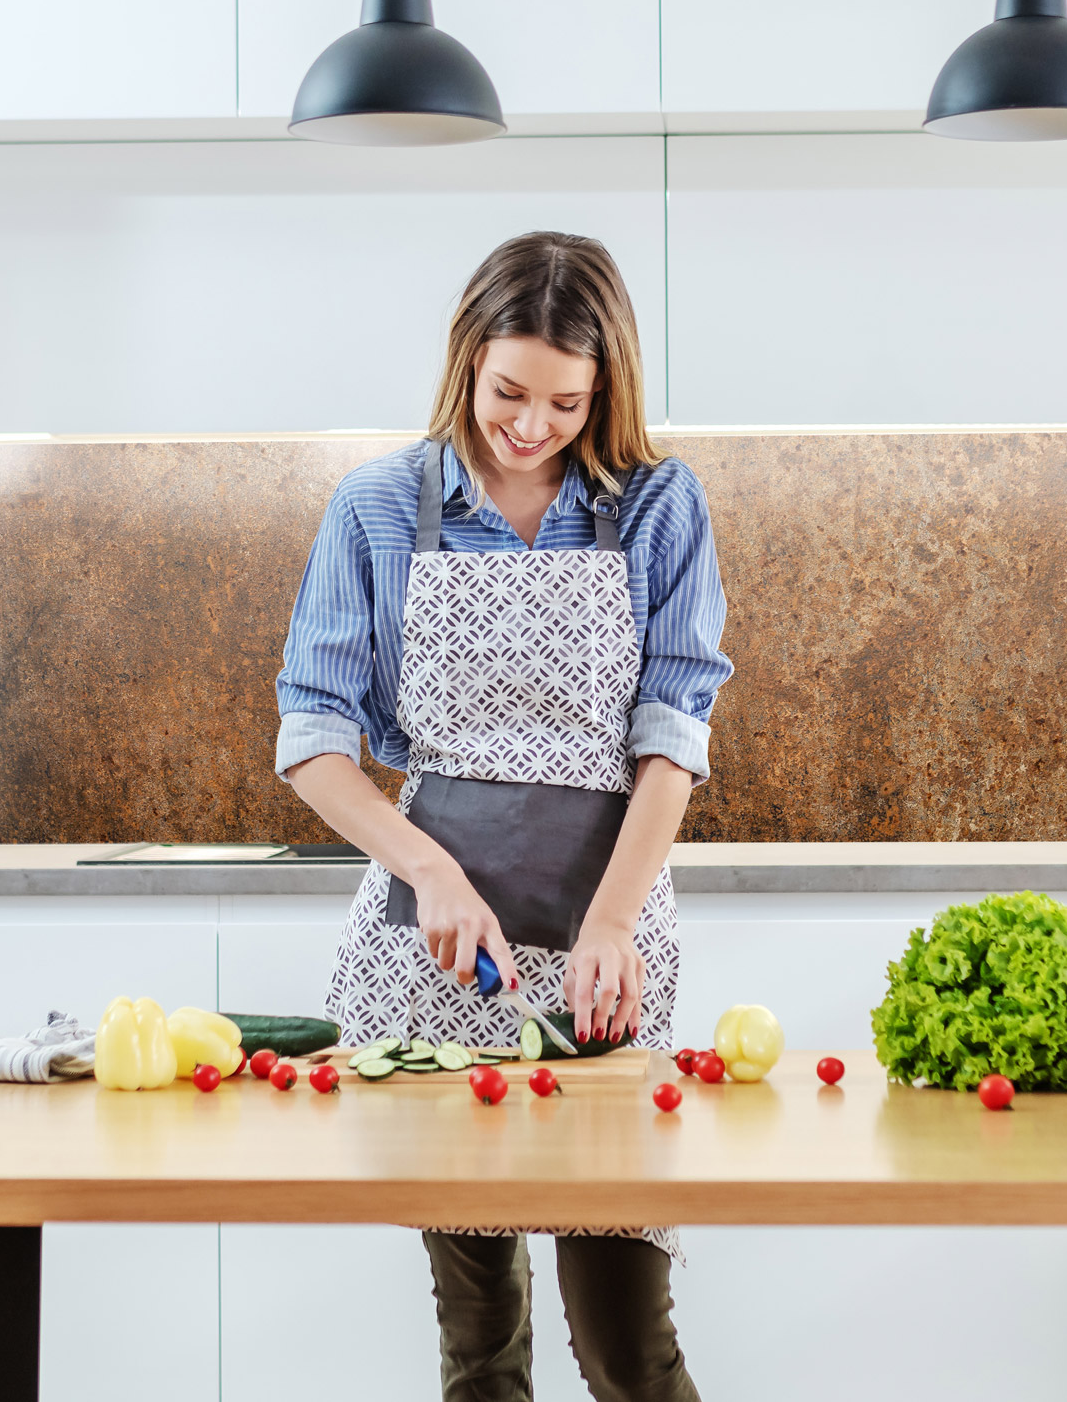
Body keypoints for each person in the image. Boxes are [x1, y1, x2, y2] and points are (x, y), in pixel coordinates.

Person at [275, 230, 731, 1402]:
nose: (531, 426)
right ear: (467, 360)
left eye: (566, 405)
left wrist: (611, 921)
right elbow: (314, 736)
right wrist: (427, 869)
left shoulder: (655, 505)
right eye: (508, 393)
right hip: (436, 954)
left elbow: (673, 733)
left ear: (606, 390)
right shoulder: (380, 507)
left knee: (628, 1337)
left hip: (604, 949)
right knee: (480, 1337)